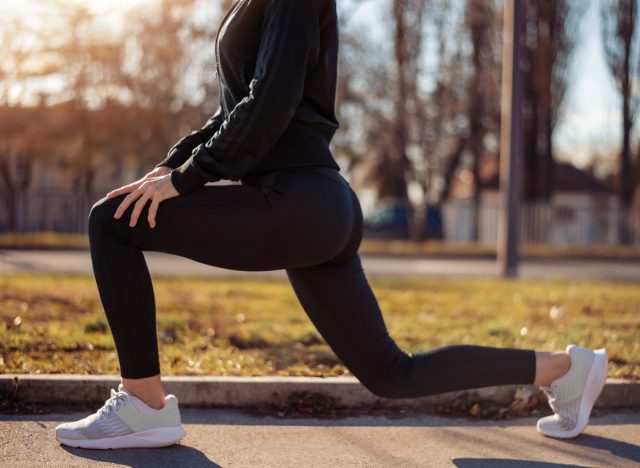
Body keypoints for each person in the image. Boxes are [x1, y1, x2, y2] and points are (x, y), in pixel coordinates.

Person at [55, 0, 608, 449]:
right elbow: (238, 109)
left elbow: (270, 103)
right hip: (320, 205)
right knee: (392, 373)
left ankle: (145, 406)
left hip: (299, 199)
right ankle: (564, 368)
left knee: (111, 222)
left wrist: (184, 180)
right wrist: (173, 165)